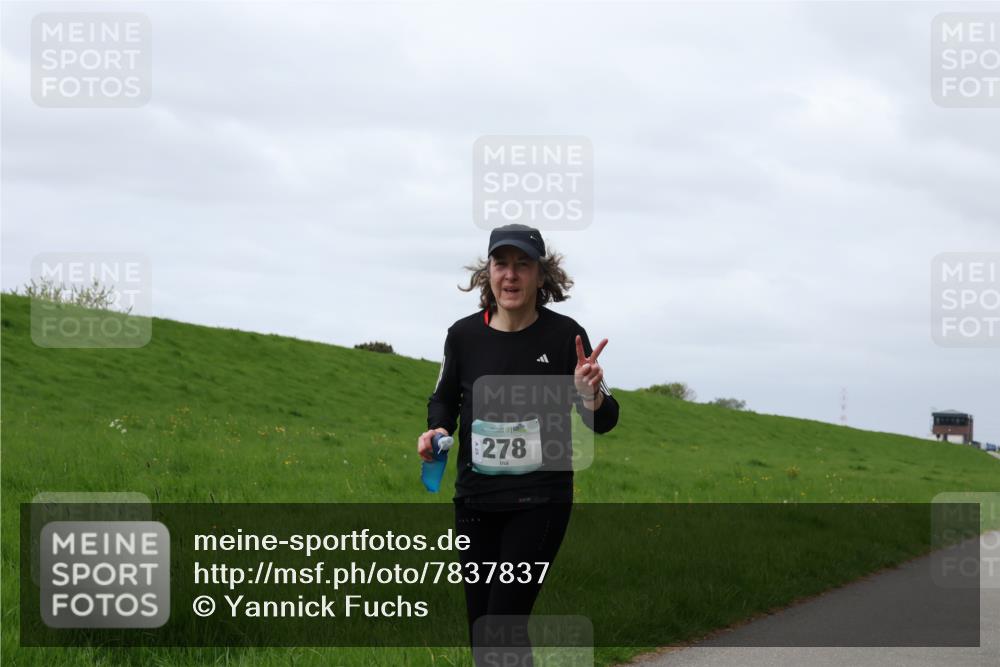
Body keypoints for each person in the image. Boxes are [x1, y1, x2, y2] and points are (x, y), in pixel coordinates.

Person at [417, 223, 620, 664]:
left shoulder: (566, 337)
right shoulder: (464, 335)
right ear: (487, 272)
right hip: (475, 501)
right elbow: (444, 398)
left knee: (502, 624)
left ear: (541, 276)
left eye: (522, 265)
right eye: (501, 264)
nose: (510, 275)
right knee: (482, 629)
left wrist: (589, 392)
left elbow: (603, 420)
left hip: (539, 503)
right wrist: (437, 429)